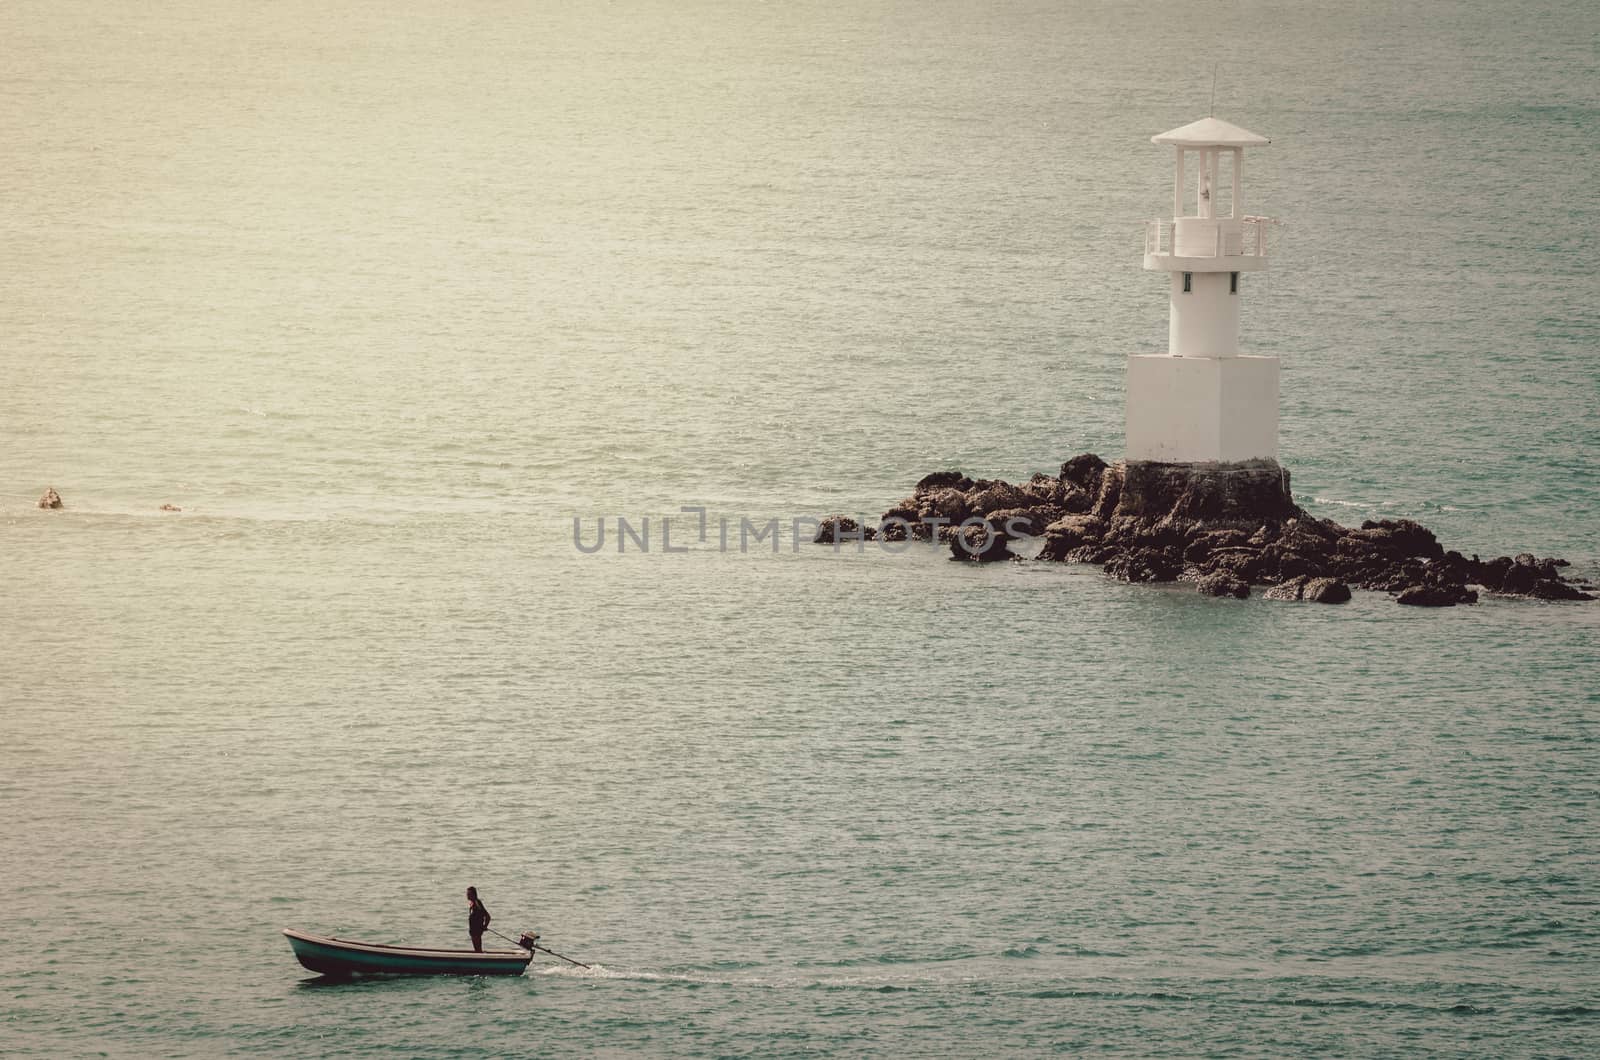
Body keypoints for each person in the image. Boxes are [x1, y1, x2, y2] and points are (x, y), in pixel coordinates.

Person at [466, 886, 491, 952]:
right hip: (473, 930)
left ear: (473, 895)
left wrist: (485, 926)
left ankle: (481, 959)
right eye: (467, 894)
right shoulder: (472, 903)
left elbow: (487, 916)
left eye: (469, 894)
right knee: (476, 949)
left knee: (478, 950)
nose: (467, 895)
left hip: (477, 931)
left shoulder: (477, 903)